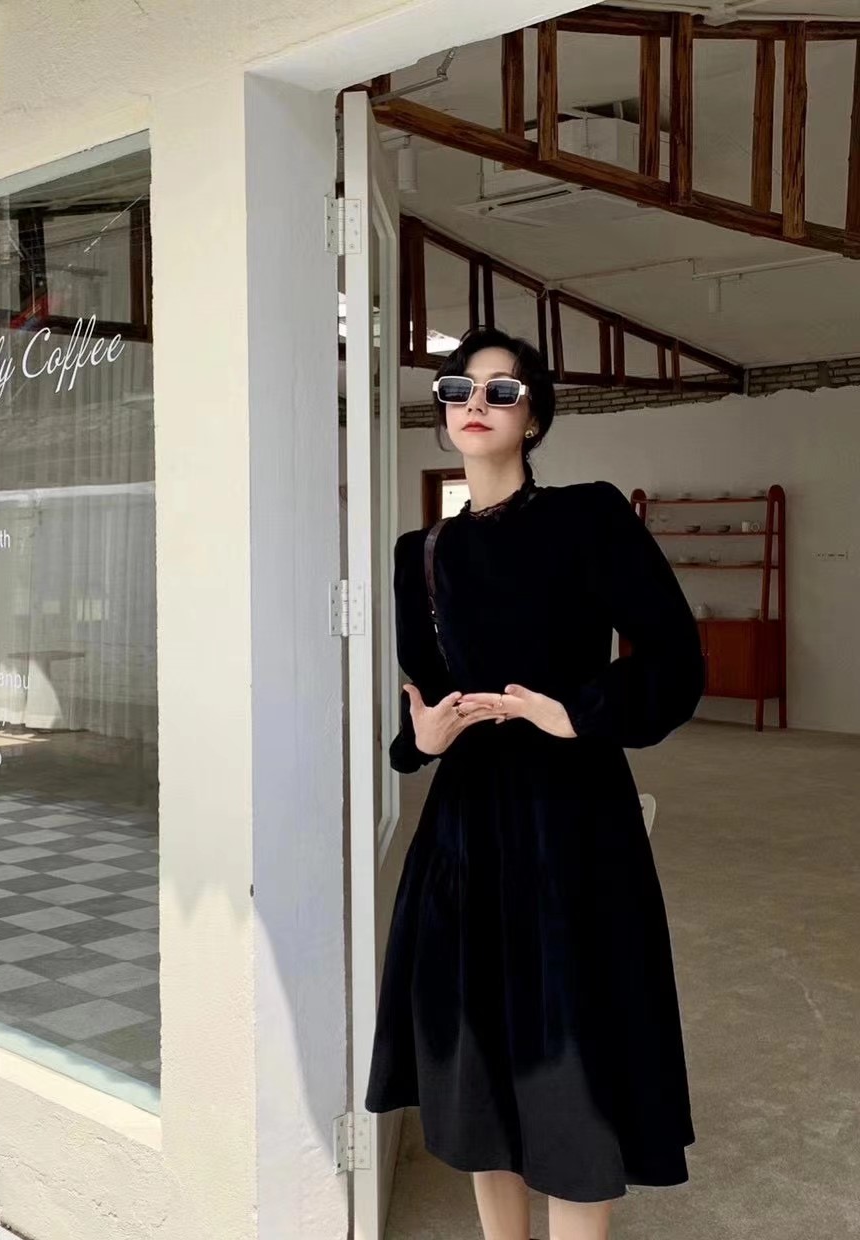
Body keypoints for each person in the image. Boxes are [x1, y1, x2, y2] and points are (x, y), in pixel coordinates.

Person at [364, 325, 705, 1240]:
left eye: (501, 390)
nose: (474, 403)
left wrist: (578, 712)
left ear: (536, 418)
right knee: (479, 1065)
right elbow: (429, 704)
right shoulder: (419, 553)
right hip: (468, 826)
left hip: (573, 815)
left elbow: (676, 660)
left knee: (574, 1061)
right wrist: (418, 741)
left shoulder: (588, 517)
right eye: (458, 389)